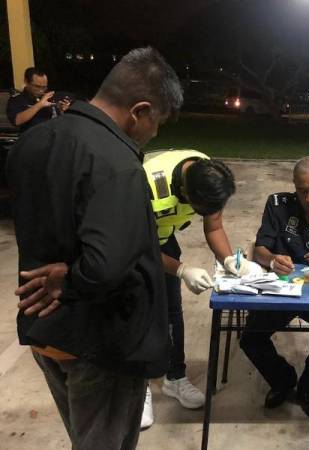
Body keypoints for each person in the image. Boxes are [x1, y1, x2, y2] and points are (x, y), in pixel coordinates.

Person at [7, 47, 183, 450]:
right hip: (100, 344)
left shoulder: (33, 141)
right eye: (157, 122)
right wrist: (70, 280)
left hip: (46, 332)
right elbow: (107, 266)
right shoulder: (116, 162)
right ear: (140, 110)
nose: (154, 134)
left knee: (84, 437)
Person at [140, 149, 261, 428]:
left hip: (162, 237)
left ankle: (175, 378)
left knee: (172, 311)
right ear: (184, 191)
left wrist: (229, 259)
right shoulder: (144, 182)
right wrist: (182, 269)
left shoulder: (208, 178)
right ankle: (139, 388)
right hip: (133, 243)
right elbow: (137, 246)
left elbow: (214, 226)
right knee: (138, 313)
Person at [240, 156, 309, 421]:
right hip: (283, 290)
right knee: (251, 338)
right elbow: (260, 249)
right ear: (294, 187)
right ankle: (283, 379)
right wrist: (272, 260)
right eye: (303, 192)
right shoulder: (278, 206)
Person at [6, 67, 71, 133]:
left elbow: (60, 122)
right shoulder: (17, 99)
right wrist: (40, 104)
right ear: (26, 82)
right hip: (31, 138)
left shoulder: (50, 98)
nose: (41, 90)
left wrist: (61, 111)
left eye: (44, 87)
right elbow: (17, 121)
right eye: (37, 86)